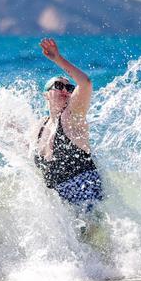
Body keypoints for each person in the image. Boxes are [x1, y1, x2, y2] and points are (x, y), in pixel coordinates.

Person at [34, 38, 103, 213]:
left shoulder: (72, 117)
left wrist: (58, 59)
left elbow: (85, 83)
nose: (65, 90)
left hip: (86, 201)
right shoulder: (41, 126)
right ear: (46, 95)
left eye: (69, 88)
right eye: (58, 86)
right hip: (61, 207)